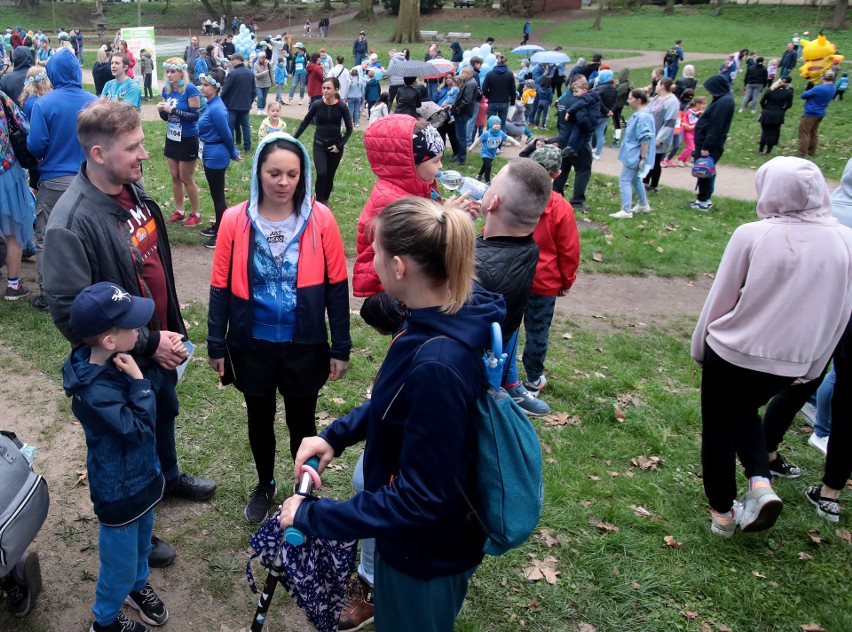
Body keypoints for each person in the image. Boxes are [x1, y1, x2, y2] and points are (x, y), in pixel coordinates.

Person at [278, 195, 504, 632]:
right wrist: (336, 435)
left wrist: (313, 516)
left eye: (375, 252)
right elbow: (398, 400)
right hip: (410, 540)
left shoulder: (439, 362)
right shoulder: (433, 319)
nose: (371, 262)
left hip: (425, 553)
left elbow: (420, 499)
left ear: (399, 267)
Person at [43, 100, 217, 569]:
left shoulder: (133, 193)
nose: (145, 155)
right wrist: (146, 343)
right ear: (98, 154)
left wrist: (171, 327)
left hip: (159, 344)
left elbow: (154, 267)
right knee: (130, 444)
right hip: (123, 363)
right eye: (134, 147)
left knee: (163, 412)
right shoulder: (71, 222)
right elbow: (70, 316)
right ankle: (142, 518)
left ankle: (170, 477)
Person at [692, 156, 852, 538]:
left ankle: (723, 515)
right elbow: (841, 312)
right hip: (790, 362)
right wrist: (814, 366)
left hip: (732, 351)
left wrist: (700, 346)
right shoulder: (846, 241)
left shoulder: (752, 233)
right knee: (745, 411)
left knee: (718, 426)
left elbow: (721, 298)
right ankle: (760, 484)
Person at [207, 132, 350, 523]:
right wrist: (215, 343)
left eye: (292, 173)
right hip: (251, 344)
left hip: (304, 343)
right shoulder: (236, 220)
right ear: (258, 173)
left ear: (302, 174)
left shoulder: (320, 219)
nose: (283, 182)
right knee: (259, 416)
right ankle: (265, 483)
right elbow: (220, 285)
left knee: (302, 422)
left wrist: (340, 346)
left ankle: (303, 490)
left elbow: (337, 286)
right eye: (274, 173)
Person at [63, 282, 172, 632]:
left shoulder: (114, 362)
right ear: (109, 340)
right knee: (118, 565)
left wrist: (148, 375)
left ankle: (137, 588)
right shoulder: (93, 392)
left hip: (142, 479)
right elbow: (139, 429)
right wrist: (140, 381)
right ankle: (105, 620)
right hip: (119, 492)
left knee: (141, 546)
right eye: (132, 326)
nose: (139, 331)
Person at [474, 158, 553, 416]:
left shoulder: (475, 268)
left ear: (493, 202)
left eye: (490, 185)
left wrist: (448, 228)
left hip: (461, 376)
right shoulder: (528, 249)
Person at [26, 48, 97, 309]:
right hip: (90, 179)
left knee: (46, 237)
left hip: (55, 181)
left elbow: (36, 146)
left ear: (52, 73)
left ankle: (48, 293)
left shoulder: (44, 103)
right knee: (88, 235)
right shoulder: (94, 101)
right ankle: (90, 287)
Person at [521, 145, 580, 398]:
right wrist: (567, 280)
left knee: (505, 326)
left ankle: (500, 372)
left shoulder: (514, 197)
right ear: (556, 175)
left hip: (512, 276)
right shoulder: (561, 207)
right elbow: (569, 251)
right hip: (543, 283)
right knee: (537, 331)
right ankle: (534, 378)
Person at [196, 68, 242, 249]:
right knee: (216, 194)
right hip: (209, 152)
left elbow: (227, 134)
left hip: (217, 154)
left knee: (218, 195)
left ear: (216, 88)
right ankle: (217, 226)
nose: (202, 88)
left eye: (206, 85)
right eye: (202, 84)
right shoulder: (210, 104)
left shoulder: (218, 109)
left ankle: (222, 233)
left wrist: (233, 152)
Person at [0, 88, 37, 301]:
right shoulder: (2, 98)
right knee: (13, 230)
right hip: (6, 172)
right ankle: (13, 285)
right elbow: (25, 125)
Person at [293, 77, 353, 205]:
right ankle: (319, 201)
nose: (325, 91)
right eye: (323, 88)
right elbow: (305, 123)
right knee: (321, 173)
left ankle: (324, 200)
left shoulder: (342, 106)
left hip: (335, 147)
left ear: (336, 89)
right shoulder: (317, 105)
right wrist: (293, 139)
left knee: (330, 175)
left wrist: (339, 145)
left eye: (328, 88)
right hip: (319, 145)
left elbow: (349, 128)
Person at [157, 58, 202, 226]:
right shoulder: (167, 90)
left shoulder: (190, 90)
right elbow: (166, 117)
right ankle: (180, 210)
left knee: (186, 177)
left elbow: (194, 116)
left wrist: (173, 110)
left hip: (188, 137)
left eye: (172, 71)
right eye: (167, 71)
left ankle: (196, 213)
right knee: (175, 175)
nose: (169, 75)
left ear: (181, 72)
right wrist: (162, 111)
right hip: (172, 136)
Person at [687, 74, 734, 211]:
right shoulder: (724, 99)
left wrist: (706, 146)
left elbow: (716, 127)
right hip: (708, 143)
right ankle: (704, 198)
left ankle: (703, 201)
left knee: (704, 171)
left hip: (709, 145)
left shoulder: (724, 102)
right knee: (706, 171)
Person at [610, 89, 655, 220]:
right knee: (636, 179)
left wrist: (643, 157)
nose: (628, 101)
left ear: (639, 100)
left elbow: (645, 138)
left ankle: (626, 210)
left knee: (625, 180)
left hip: (634, 155)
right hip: (633, 153)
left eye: (630, 99)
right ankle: (643, 204)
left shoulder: (643, 116)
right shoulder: (641, 114)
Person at [641, 77, 679, 193]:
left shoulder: (672, 101)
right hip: (650, 134)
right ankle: (645, 182)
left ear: (662, 86)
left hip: (659, 137)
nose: (656, 86)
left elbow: (670, 123)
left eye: (657, 84)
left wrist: (660, 139)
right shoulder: (658, 97)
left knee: (655, 161)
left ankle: (654, 185)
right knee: (648, 159)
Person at [469, 115, 521, 184]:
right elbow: (478, 140)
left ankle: (479, 175)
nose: (498, 125)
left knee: (485, 166)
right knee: (488, 166)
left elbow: (508, 138)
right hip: (485, 153)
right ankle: (487, 181)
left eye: (499, 124)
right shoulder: (486, 134)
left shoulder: (501, 133)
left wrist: (516, 143)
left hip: (492, 153)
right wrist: (471, 147)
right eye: (495, 124)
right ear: (491, 125)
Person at [221, 53, 255, 154]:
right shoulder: (250, 73)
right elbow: (253, 91)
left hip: (232, 106)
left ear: (239, 60)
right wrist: (249, 102)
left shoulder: (232, 74)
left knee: (230, 127)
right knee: (245, 127)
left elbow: (225, 90)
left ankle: (231, 148)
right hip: (245, 106)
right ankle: (247, 148)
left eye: (233, 60)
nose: (231, 61)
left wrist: (221, 101)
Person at [797, 71, 835, 158]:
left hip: (811, 113)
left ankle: (802, 153)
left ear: (823, 78)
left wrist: (808, 88)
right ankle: (811, 151)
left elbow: (803, 95)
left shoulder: (819, 88)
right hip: (821, 113)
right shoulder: (833, 88)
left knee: (804, 133)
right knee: (813, 133)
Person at [562, 77, 599, 155]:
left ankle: (570, 146)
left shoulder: (585, 97)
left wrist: (569, 111)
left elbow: (579, 105)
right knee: (583, 134)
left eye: (576, 91)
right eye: (573, 92)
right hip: (594, 117)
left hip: (589, 118)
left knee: (576, 129)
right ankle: (575, 149)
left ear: (584, 90)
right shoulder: (592, 96)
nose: (574, 94)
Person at [758, 78, 793, 155]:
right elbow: (789, 104)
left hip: (767, 112)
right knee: (773, 132)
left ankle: (761, 149)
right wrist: (782, 110)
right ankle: (768, 151)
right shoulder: (789, 92)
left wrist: (765, 108)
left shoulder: (771, 90)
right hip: (778, 114)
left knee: (765, 132)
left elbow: (762, 101)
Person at [452, 66, 478, 166]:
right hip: (463, 111)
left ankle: (461, 158)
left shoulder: (470, 84)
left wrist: (458, 109)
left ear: (468, 73)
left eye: (463, 72)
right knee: (459, 135)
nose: (461, 74)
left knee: (461, 136)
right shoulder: (468, 82)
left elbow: (467, 100)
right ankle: (459, 155)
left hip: (463, 112)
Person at [482, 53, 516, 128]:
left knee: (490, 123)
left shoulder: (490, 74)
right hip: (504, 101)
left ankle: (489, 138)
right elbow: (513, 90)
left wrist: (489, 96)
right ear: (505, 63)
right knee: (502, 124)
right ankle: (501, 138)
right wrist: (512, 101)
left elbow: (484, 88)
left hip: (492, 101)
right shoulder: (509, 74)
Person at [592, 69, 616, 159]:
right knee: (600, 133)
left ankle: (591, 148)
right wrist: (610, 111)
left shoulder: (599, 88)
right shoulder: (614, 89)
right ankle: (598, 153)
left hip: (598, 113)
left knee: (591, 131)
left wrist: (606, 110)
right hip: (606, 115)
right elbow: (615, 102)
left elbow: (600, 102)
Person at [676, 96, 704, 166]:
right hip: (688, 132)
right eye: (703, 104)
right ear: (697, 104)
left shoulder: (700, 113)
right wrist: (691, 126)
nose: (704, 106)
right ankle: (679, 159)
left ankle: (685, 160)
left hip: (695, 132)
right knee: (690, 147)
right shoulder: (689, 113)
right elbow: (687, 123)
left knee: (693, 147)